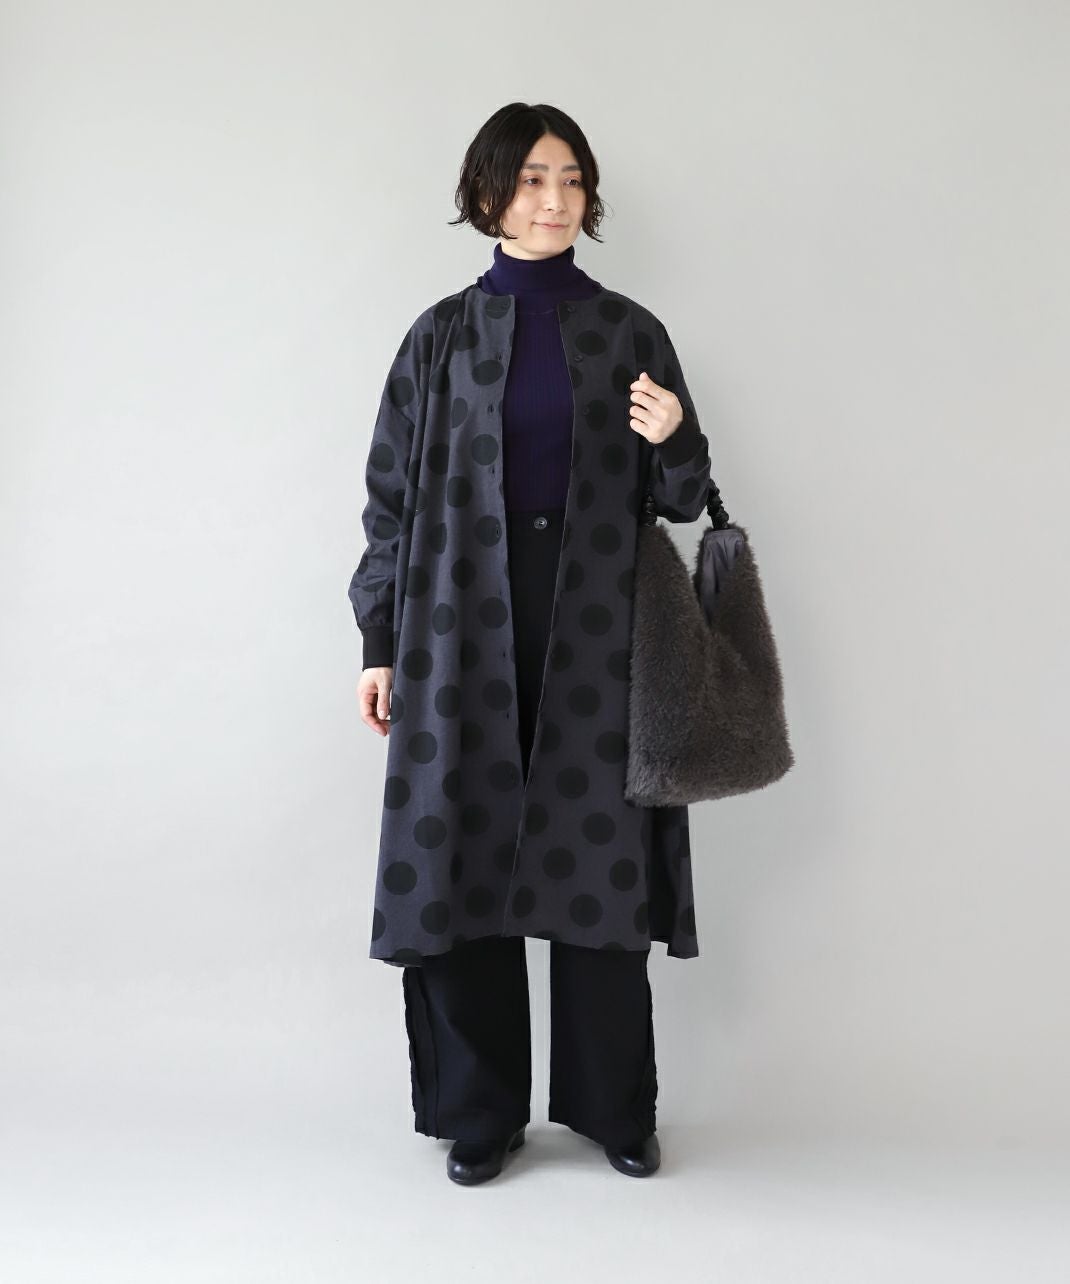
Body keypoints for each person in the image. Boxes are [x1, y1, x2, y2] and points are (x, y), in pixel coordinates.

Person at [348, 102, 712, 1185]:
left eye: (571, 180)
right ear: (486, 195)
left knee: (601, 866)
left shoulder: (631, 332)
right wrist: (378, 639)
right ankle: (478, 1112)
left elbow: (680, 499)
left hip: (599, 632)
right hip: (456, 632)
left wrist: (678, 437)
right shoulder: (439, 339)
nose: (553, 200)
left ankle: (613, 1110)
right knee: (460, 855)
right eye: (530, 180)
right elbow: (389, 502)